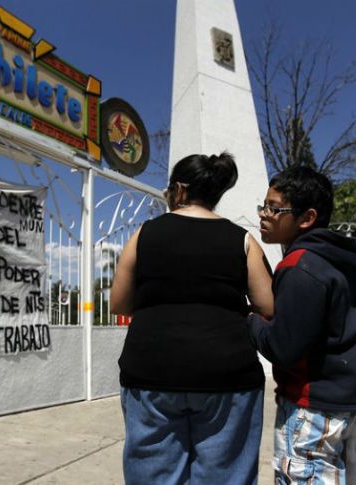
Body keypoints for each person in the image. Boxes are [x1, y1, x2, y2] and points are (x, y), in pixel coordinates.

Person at [111, 152, 274, 485]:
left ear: (180, 190)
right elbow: (268, 305)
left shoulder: (144, 234)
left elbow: (120, 303)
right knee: (226, 475)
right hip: (227, 375)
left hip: (150, 372)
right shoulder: (242, 240)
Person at [248, 166, 356, 484]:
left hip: (315, 409)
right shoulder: (340, 260)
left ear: (306, 218)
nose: (264, 214)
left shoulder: (299, 265)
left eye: (274, 208)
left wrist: (252, 322)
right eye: (263, 206)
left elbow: (284, 347)